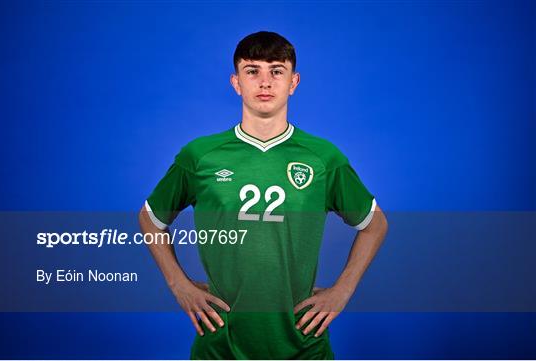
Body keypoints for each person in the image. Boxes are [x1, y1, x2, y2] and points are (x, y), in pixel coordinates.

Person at [138, 31, 388, 359]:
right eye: (252, 71)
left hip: (303, 345)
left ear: (293, 82)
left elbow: (375, 223)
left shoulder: (323, 158)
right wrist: (179, 285)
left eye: (276, 70)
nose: (265, 82)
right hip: (221, 346)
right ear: (236, 82)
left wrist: (343, 290)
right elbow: (150, 218)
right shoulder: (200, 156)